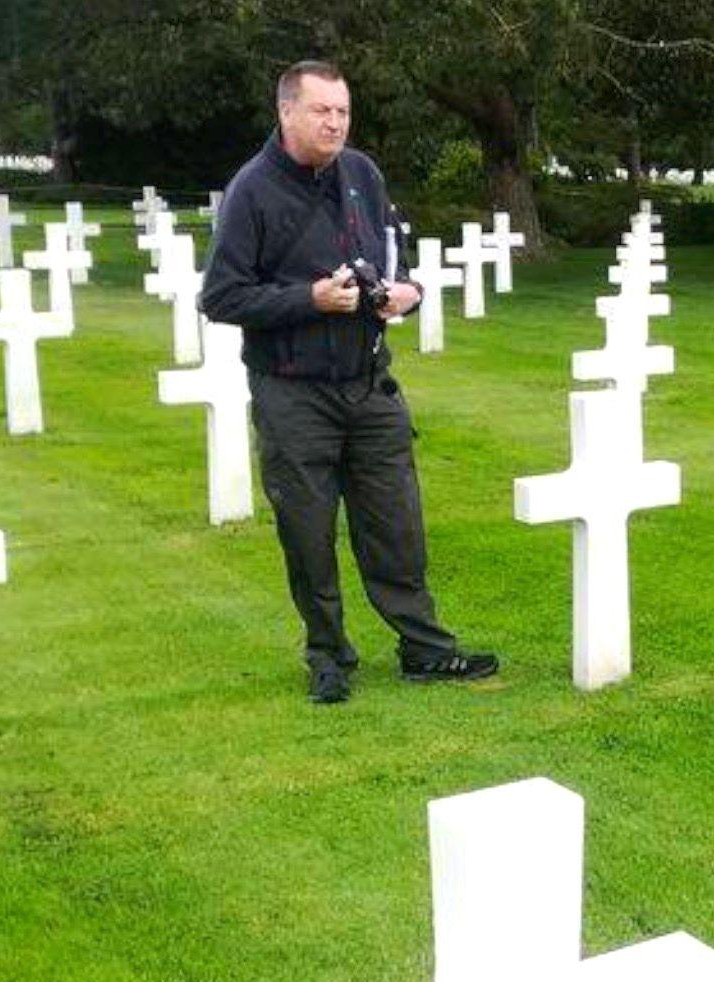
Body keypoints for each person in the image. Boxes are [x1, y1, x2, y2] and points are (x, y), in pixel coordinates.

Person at [200, 60, 497, 704]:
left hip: (369, 383)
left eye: (342, 112)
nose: (334, 123)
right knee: (307, 531)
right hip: (292, 390)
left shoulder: (363, 173)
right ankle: (328, 654)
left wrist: (407, 294)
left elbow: (397, 258)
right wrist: (310, 299)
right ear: (287, 113)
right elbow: (221, 297)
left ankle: (425, 648)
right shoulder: (252, 190)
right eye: (321, 111)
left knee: (397, 523)